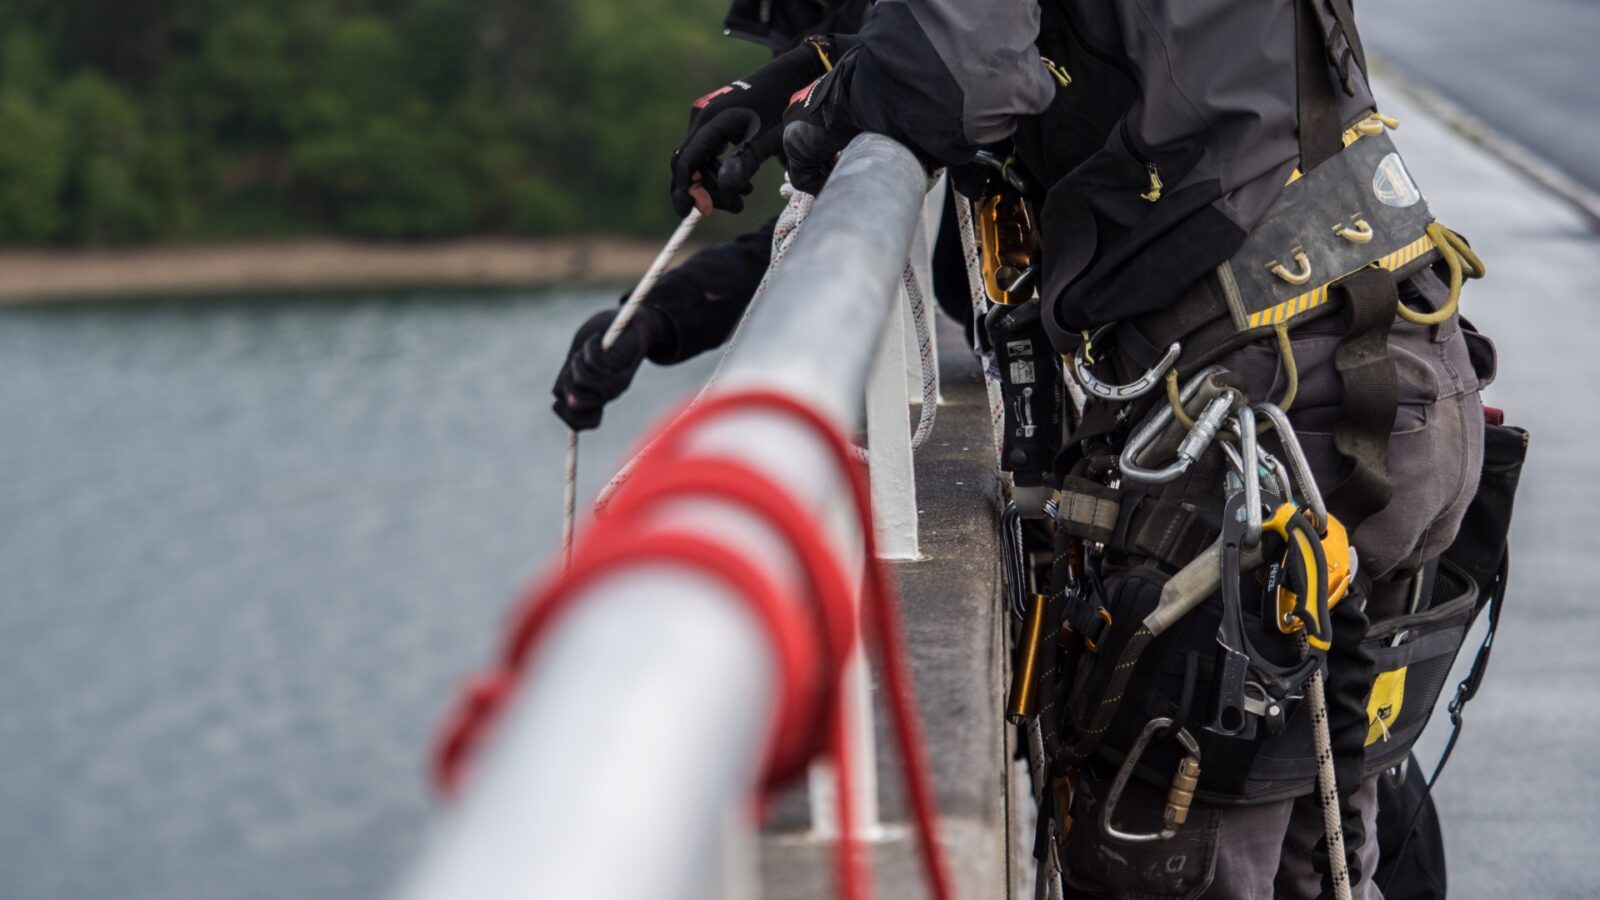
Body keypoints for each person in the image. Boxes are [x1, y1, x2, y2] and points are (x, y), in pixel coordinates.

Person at [646, 2, 1514, 899]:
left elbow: (954, 76)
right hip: (1393, 370)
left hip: (1274, 416)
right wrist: (805, 72)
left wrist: (815, 115)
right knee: (1331, 857)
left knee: (1182, 858)